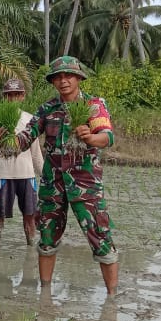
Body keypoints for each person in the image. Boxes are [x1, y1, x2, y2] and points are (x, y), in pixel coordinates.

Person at [15, 55, 119, 294]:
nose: (63, 81)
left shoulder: (94, 106)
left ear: (78, 78)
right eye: (58, 77)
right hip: (53, 186)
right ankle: (45, 294)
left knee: (101, 237)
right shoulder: (47, 109)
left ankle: (112, 299)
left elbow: (107, 136)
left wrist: (91, 137)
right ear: (53, 81)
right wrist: (6, 139)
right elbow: (25, 139)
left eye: (68, 76)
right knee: (47, 239)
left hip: (86, 187)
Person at [0, 77, 43, 248]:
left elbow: (36, 152)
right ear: (4, 96)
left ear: (23, 96)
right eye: (9, 95)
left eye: (17, 94)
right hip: (2, 175)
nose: (13, 98)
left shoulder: (30, 119)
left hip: (26, 175)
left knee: (30, 216)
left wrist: (46, 176)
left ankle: (31, 249)